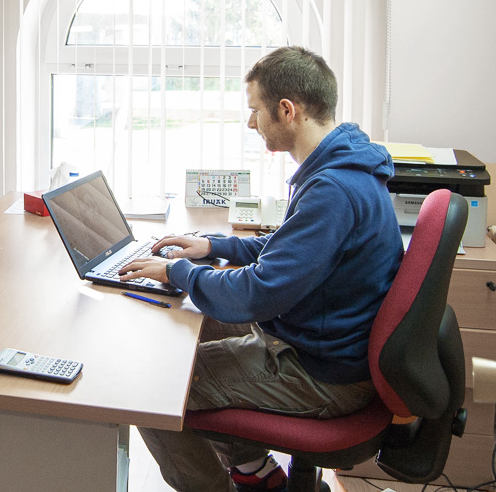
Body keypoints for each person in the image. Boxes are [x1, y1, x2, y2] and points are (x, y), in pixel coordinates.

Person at [119, 46, 403, 492]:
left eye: (255, 111)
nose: (251, 122)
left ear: (286, 110)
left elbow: (257, 292)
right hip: (322, 342)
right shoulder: (343, 164)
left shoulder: (333, 189)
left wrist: (175, 273)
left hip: (322, 374)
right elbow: (290, 247)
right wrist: (213, 245)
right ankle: (256, 474)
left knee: (148, 388)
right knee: (193, 321)